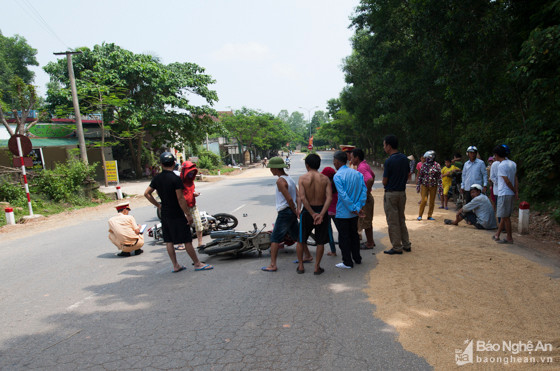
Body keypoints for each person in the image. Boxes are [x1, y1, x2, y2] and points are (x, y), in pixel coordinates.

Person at [144, 152, 213, 273]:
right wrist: (188, 214)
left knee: (169, 240)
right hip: (177, 212)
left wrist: (158, 205)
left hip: (165, 212)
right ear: (174, 163)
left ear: (161, 164)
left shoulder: (157, 178)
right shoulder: (175, 179)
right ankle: (197, 263)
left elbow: (146, 193)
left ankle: (175, 265)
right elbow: (181, 199)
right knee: (187, 239)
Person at [296, 153, 332, 275]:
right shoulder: (325, 179)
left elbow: (302, 197)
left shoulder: (302, 178)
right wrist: (321, 214)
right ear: (319, 165)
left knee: (301, 240)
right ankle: (317, 267)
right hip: (321, 210)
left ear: (307, 165)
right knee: (320, 241)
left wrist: (312, 213)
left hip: (307, 212)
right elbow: (329, 198)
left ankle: (301, 266)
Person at [262, 156, 300, 272]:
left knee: (275, 238)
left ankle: (273, 265)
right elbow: (298, 196)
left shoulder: (280, 181)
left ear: (276, 169)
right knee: (298, 236)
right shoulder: (290, 179)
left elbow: (289, 199)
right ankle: (307, 256)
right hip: (291, 212)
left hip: (285, 212)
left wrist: (295, 211)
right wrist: (298, 210)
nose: (270, 170)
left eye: (271, 168)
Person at [332, 150, 367, 268]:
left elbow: (343, 195)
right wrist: (358, 207)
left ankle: (347, 261)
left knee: (344, 238)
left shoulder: (338, 176)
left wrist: (353, 208)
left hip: (344, 212)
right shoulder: (357, 174)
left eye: (334, 161)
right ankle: (357, 258)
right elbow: (363, 191)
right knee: (354, 236)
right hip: (355, 212)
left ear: (337, 162)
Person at [382, 135, 412, 255]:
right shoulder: (405, 159)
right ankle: (406, 244)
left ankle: (396, 247)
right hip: (402, 193)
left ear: (389, 146)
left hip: (391, 194)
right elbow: (407, 175)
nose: (384, 147)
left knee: (392, 221)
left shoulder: (389, 161)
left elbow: (384, 181)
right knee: (401, 219)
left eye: (384, 145)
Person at [351, 148, 376, 249]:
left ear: (357, 158)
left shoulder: (361, 167)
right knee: (367, 220)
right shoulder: (365, 165)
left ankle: (369, 243)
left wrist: (366, 193)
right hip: (366, 197)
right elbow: (373, 176)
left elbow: (370, 179)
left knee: (365, 220)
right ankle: (371, 241)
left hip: (365, 198)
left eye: (352, 157)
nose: (351, 160)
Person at [492, 145, 518, 244]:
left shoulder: (501, 165)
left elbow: (506, 181)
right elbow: (515, 178)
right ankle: (498, 234)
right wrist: (515, 190)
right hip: (509, 193)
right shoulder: (513, 164)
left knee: (506, 217)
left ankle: (509, 237)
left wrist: (513, 190)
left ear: (497, 155)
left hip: (504, 192)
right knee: (504, 215)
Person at [180, 161, 204, 249]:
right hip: (183, 207)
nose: (191, 174)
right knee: (183, 225)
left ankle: (200, 242)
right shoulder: (179, 181)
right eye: (190, 172)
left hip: (192, 205)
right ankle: (181, 243)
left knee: (198, 223)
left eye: (192, 172)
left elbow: (190, 192)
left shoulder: (191, 181)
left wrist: (194, 194)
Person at [416, 150, 442, 221]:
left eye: (427, 157)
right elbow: (420, 176)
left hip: (433, 186)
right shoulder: (424, 165)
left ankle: (429, 215)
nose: (426, 159)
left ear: (432, 157)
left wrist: (440, 187)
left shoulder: (437, 165)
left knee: (432, 201)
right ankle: (420, 215)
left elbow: (439, 177)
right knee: (424, 200)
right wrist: (418, 185)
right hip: (424, 185)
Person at [321, 166, 338, 257]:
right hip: (337, 211)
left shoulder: (326, 186)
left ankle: (333, 251)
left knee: (329, 232)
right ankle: (346, 248)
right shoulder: (337, 184)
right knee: (341, 231)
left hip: (327, 212)